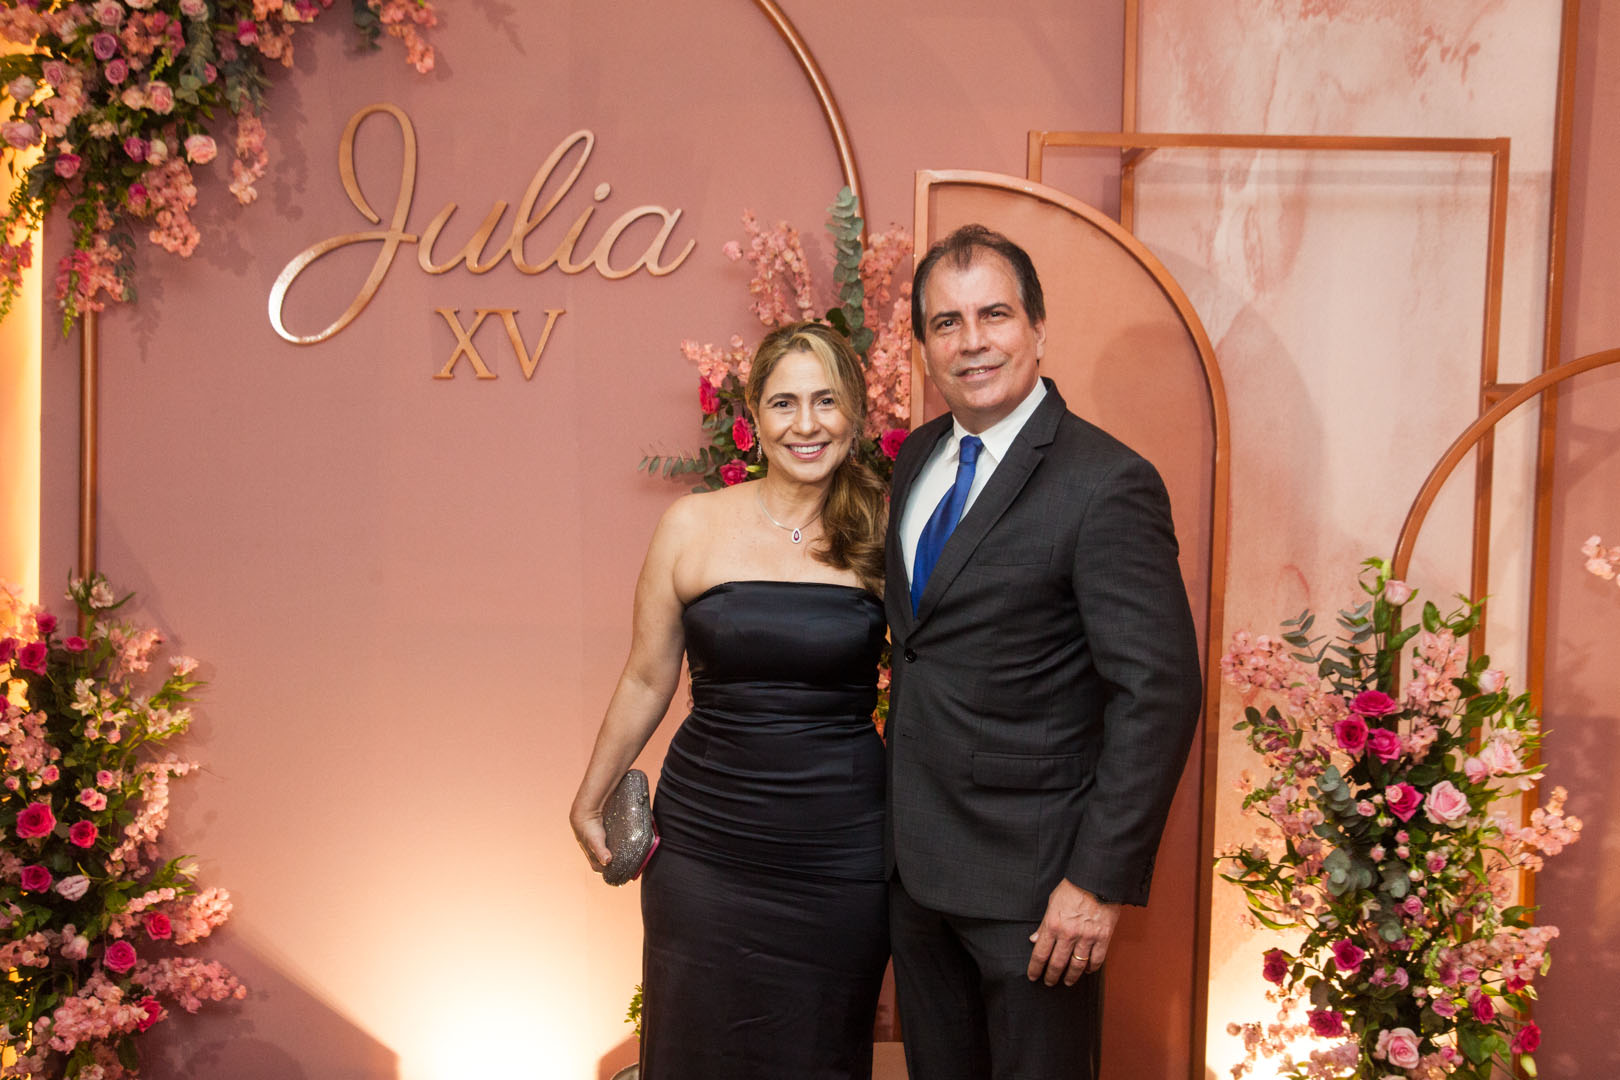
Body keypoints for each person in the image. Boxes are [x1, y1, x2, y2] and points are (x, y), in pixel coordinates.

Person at [884, 224, 1203, 1080]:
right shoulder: (917, 460)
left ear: (1037, 329)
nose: (972, 341)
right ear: (923, 349)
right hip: (915, 876)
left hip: (1038, 892)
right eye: (946, 323)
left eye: (994, 314)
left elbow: (1159, 691)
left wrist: (1096, 882)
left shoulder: (1107, 482)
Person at [570, 321, 892, 1080]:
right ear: (755, 415)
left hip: (841, 853)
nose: (806, 424)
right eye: (785, 403)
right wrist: (589, 798)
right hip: (705, 851)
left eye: (825, 401)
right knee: (697, 1051)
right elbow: (647, 677)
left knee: (820, 1053)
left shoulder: (888, 529)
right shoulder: (691, 524)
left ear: (854, 413)